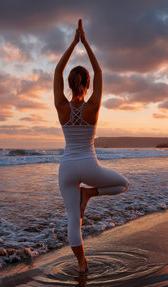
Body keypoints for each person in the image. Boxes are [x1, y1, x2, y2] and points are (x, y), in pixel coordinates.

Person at [54, 19, 129, 273]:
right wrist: (85, 43)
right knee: (123, 184)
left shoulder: (62, 107)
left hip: (66, 167)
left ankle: (82, 264)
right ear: (86, 85)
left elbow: (56, 72)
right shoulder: (92, 107)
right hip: (88, 164)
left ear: (69, 85)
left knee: (73, 221)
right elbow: (99, 72)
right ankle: (89, 194)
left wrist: (72, 44)